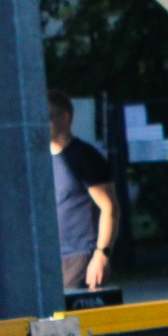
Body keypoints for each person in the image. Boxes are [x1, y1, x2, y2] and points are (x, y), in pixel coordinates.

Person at [48, 90, 116, 291]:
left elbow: (109, 208)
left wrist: (101, 255)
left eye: (47, 117)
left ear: (65, 118)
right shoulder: (37, 160)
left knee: (68, 310)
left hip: (79, 257)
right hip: (47, 257)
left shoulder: (85, 157)